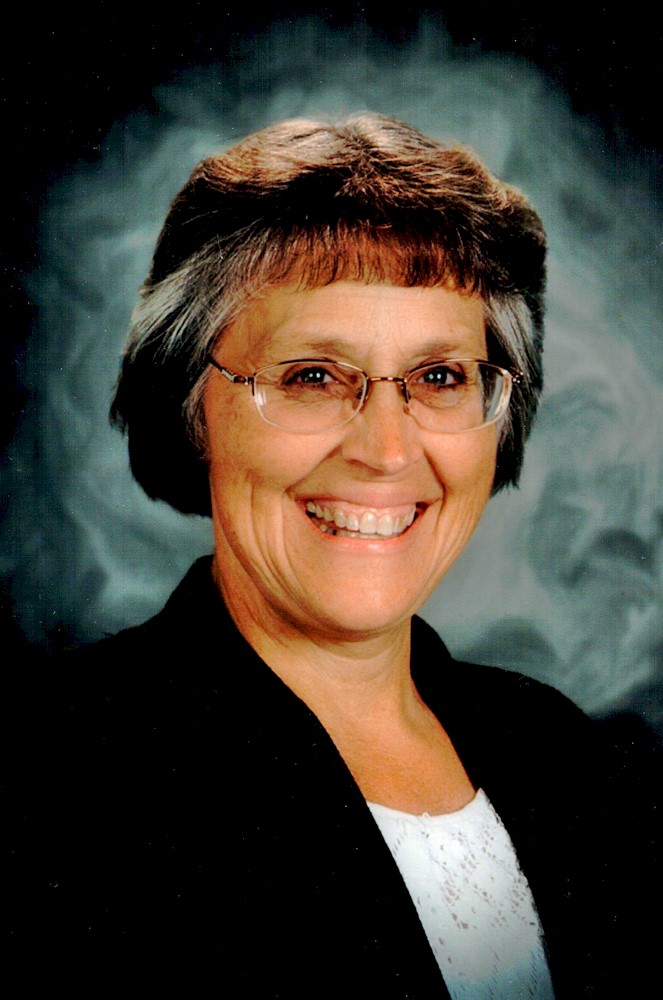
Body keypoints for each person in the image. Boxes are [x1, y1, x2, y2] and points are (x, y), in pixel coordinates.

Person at [7, 114, 659, 996]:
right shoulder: (58, 780)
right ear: (191, 408)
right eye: (312, 376)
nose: (385, 452)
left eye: (439, 377)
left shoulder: (566, 757)